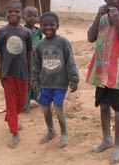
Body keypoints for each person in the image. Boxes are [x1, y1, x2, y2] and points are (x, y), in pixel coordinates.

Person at [86, 0, 119, 164]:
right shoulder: (102, 16)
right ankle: (106, 138)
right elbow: (90, 37)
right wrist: (99, 16)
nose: (114, 1)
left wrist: (117, 23)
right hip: (100, 72)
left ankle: (117, 145)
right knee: (103, 106)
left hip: (116, 75)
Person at [33, 12, 79, 148]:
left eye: (51, 24)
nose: (48, 27)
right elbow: (36, 65)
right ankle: (51, 131)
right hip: (46, 84)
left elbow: (70, 61)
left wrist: (74, 78)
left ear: (57, 26)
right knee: (45, 108)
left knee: (58, 108)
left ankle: (64, 133)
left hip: (60, 84)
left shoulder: (63, 42)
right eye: (44, 25)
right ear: (40, 26)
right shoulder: (40, 45)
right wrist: (35, 80)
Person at [0, 0, 32, 148]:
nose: (13, 14)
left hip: (22, 74)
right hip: (8, 74)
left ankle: (11, 117)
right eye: (10, 11)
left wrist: (30, 75)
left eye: (17, 11)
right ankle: (15, 132)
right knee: (11, 104)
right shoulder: (1, 32)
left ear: (21, 14)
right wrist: (0, 74)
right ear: (5, 13)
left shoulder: (26, 33)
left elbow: (29, 54)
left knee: (21, 104)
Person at [22, 6, 43, 113]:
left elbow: (42, 43)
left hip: (36, 62)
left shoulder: (39, 32)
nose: (32, 18)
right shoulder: (21, 31)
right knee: (26, 84)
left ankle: (37, 98)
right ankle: (25, 106)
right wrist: (30, 50)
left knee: (36, 82)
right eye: (29, 16)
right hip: (25, 63)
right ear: (23, 16)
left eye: (35, 16)